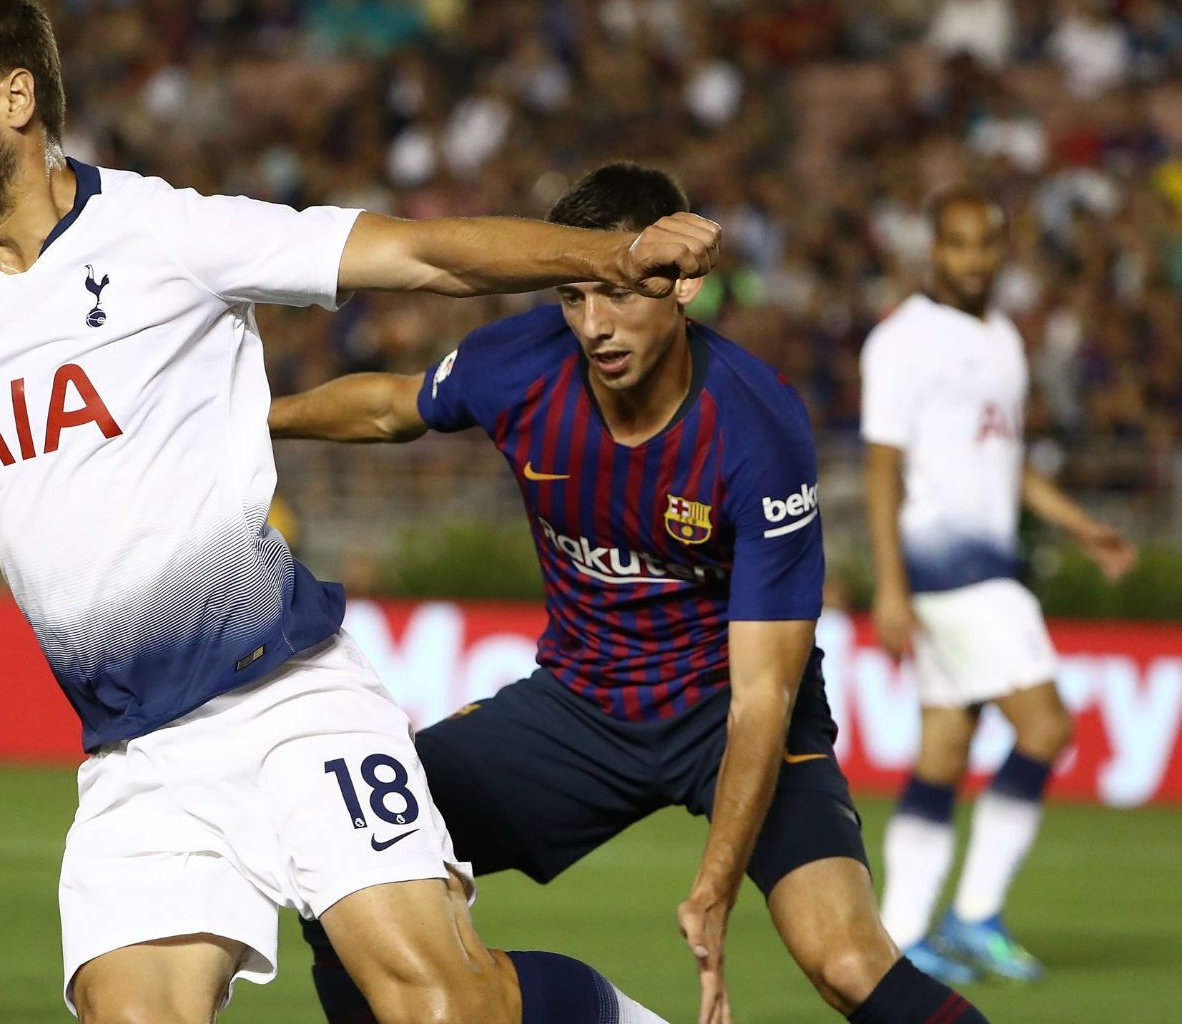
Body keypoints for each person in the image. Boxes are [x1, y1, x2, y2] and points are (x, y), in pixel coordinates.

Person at [0, 0, 722, 1024]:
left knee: (439, 1006)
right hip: (135, 758)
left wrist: (610, 255)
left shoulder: (167, 236)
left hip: (286, 701)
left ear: (13, 99)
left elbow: (422, 254)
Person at [272, 163, 987, 1024]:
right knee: (346, 871)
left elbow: (763, 692)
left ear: (682, 285)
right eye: (575, 297)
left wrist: (716, 888)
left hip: (730, 716)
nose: (596, 326)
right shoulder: (522, 363)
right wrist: (252, 421)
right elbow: (391, 408)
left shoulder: (757, 426)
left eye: (621, 295)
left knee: (846, 963)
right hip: (581, 711)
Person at [864, 187, 1136, 983]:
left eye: (986, 244)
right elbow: (883, 467)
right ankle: (975, 915)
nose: (973, 258)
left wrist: (1078, 522)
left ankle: (902, 935)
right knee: (1046, 728)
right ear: (933, 249)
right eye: (957, 243)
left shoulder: (1006, 339)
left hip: (987, 563)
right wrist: (889, 585)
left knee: (945, 748)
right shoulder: (905, 340)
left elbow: (1003, 461)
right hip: (953, 570)